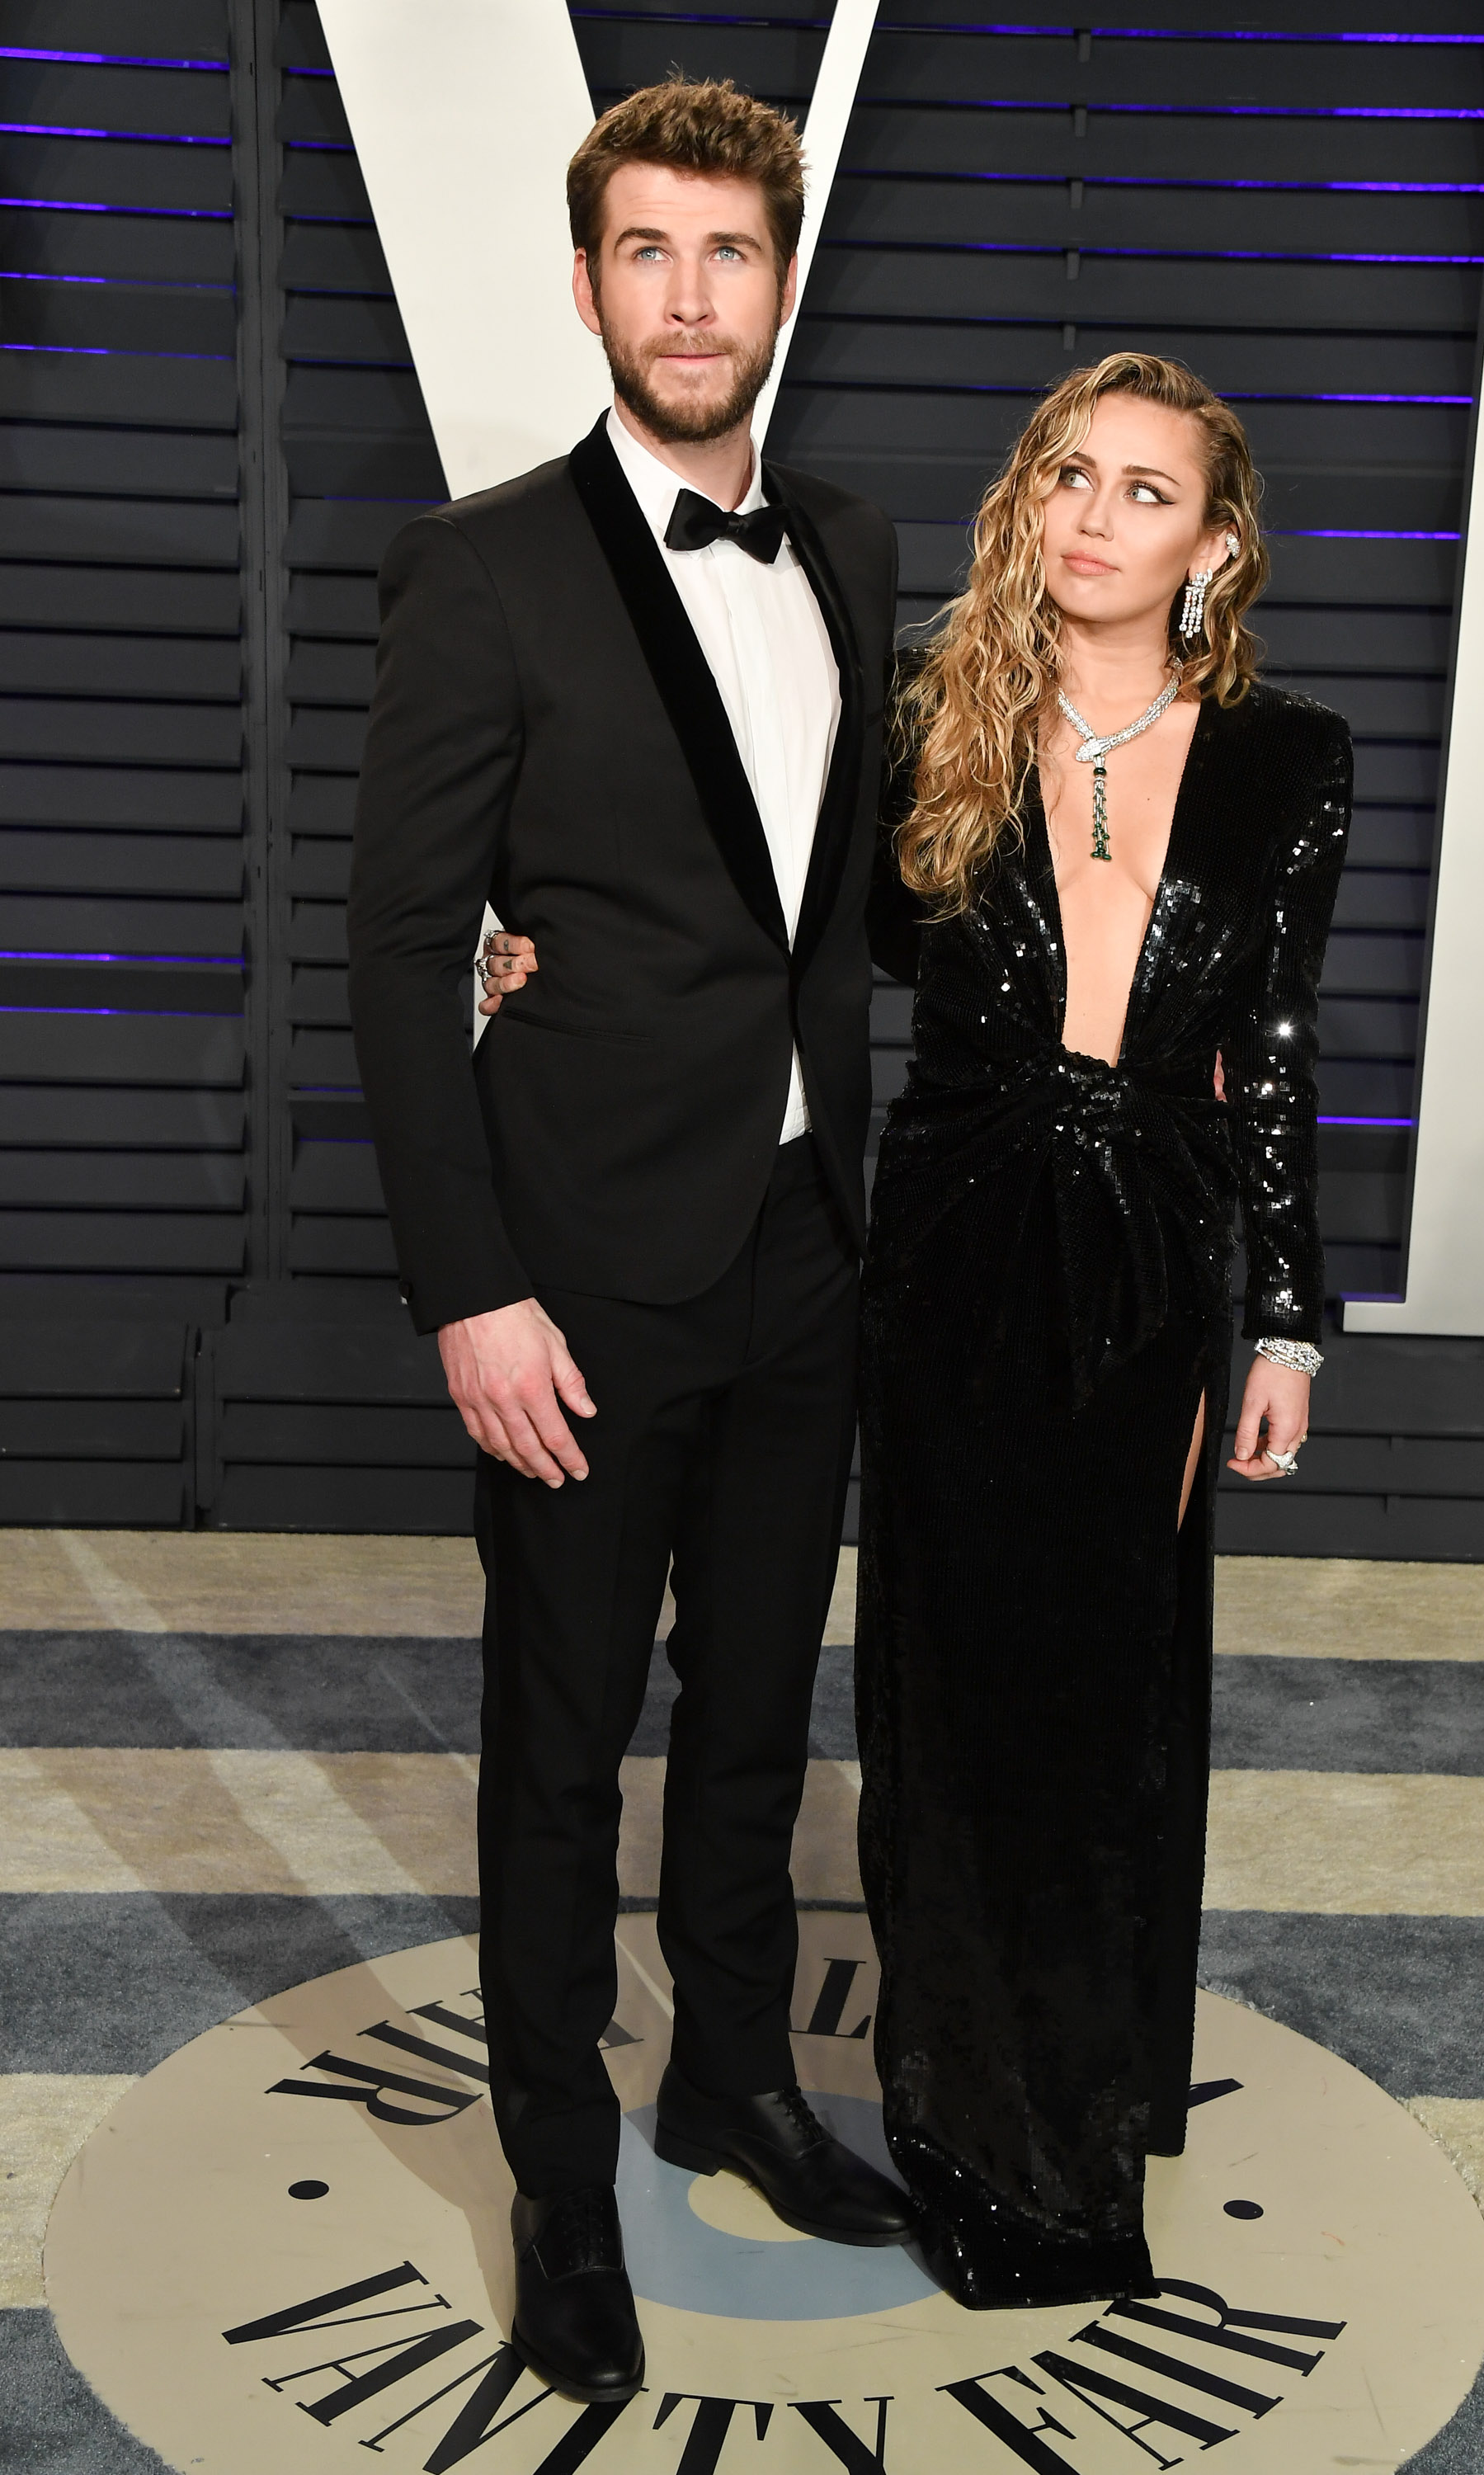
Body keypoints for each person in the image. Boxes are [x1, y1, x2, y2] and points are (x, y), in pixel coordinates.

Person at [346, 79, 912, 2407]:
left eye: (733, 254)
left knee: (763, 1719)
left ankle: (735, 2081)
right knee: (561, 1748)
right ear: (589, 288)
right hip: (574, 1269)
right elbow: (397, 956)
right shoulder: (478, 569)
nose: (693, 298)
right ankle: (562, 2181)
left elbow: (854, 915)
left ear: (783, 282)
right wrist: (473, 1288)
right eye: (648, 255)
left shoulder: (859, 550)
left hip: (806, 1243)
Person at [852, 351, 1350, 2308]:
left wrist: (1286, 1325)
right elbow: (804, 941)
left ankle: (1076, 2120)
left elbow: (1276, 1056)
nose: (1093, 514)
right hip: (957, 1234)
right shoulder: (933, 712)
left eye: (1147, 491)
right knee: (951, 1695)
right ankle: (965, 2113)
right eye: (1069, 474)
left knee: (1100, 1701)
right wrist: (529, 934)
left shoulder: (1285, 757)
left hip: (1154, 1247)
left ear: (1212, 547)